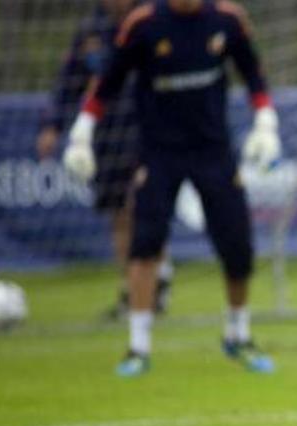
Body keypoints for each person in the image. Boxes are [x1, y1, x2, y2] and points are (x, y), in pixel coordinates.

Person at [62, 0, 282, 377]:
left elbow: (254, 75)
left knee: (238, 247)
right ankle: (138, 347)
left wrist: (265, 122)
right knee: (144, 245)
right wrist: (81, 134)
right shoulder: (143, 24)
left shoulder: (227, 20)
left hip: (213, 150)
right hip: (158, 152)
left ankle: (238, 335)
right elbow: (107, 83)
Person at [37, 0, 174, 320]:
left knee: (144, 204)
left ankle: (159, 278)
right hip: (106, 134)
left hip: (149, 129)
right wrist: (52, 125)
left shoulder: (151, 21)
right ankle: (131, 291)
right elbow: (69, 81)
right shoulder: (91, 32)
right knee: (119, 213)